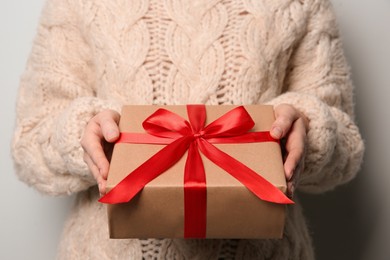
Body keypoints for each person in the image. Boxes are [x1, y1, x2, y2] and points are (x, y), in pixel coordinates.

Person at [12, 0, 364, 259]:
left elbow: (346, 147)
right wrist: (80, 133)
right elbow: (29, 140)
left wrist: (309, 128)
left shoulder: (300, 3)